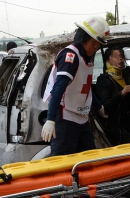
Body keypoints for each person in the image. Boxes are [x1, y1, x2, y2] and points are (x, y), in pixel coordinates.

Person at [41, 16, 110, 156]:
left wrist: (99, 107)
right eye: (93, 43)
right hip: (65, 118)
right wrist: (51, 119)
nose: (96, 47)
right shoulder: (70, 57)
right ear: (83, 38)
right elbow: (58, 89)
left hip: (80, 118)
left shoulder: (86, 58)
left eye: (98, 44)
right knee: (63, 163)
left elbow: (85, 88)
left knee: (88, 160)